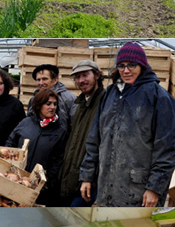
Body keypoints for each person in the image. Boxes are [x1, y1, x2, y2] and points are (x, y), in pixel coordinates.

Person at [80, 42, 175, 207]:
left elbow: (168, 147)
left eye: (132, 65)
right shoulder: (110, 94)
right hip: (107, 188)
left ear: (142, 65)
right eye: (121, 66)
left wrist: (155, 188)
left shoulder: (158, 97)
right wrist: (87, 176)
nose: (126, 70)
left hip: (139, 191)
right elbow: (95, 139)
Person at [7, 88, 68, 205]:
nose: (52, 107)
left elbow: (59, 159)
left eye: (55, 104)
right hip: (18, 179)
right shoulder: (26, 123)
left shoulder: (60, 130)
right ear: (39, 105)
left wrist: (45, 179)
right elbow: (11, 143)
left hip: (40, 186)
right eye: (48, 103)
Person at [58, 60, 105, 206]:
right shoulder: (80, 105)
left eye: (85, 75)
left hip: (90, 181)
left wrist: (91, 177)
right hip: (74, 175)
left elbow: (103, 145)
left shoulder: (105, 102)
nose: (81, 81)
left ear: (97, 75)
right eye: (77, 77)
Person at [27, 64, 77, 131]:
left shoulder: (69, 98)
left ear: (55, 80)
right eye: (38, 80)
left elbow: (75, 125)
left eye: (44, 79)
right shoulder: (34, 99)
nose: (41, 83)